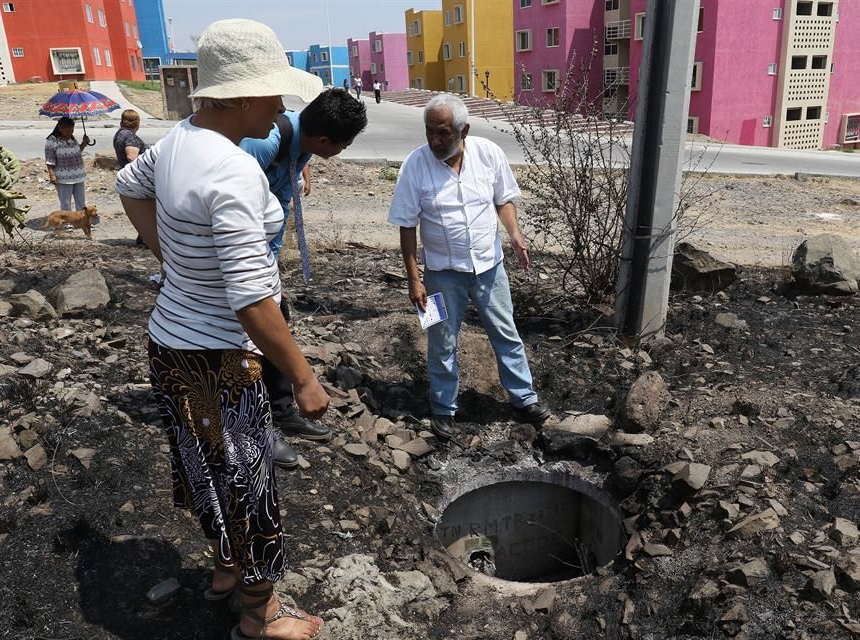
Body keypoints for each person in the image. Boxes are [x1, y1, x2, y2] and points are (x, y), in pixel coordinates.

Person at [115, 19, 328, 640]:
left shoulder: (179, 140)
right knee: (250, 478)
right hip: (220, 356)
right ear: (236, 96)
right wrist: (304, 377)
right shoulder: (233, 172)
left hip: (170, 342)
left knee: (205, 466)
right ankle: (261, 615)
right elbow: (253, 303)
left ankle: (226, 569)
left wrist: (170, 257)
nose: (283, 107)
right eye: (273, 93)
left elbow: (128, 186)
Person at [387, 94, 551, 439]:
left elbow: (502, 199)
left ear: (464, 130)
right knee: (440, 340)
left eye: (443, 133)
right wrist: (413, 279)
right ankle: (443, 407)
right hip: (438, 276)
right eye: (430, 132)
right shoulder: (414, 166)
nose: (434, 140)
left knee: (506, 333)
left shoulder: (489, 153)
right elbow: (406, 225)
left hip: (490, 268)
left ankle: (524, 398)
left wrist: (515, 233)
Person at [240, 87, 368, 468]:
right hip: (241, 263)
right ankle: (255, 430)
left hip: (266, 256)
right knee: (249, 343)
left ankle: (280, 410)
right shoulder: (263, 144)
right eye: (343, 146)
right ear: (325, 139)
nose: (341, 153)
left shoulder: (303, 142)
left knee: (279, 323)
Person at [113, 109, 148, 246]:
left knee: (142, 210)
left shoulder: (120, 133)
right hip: (137, 180)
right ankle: (145, 239)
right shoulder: (130, 137)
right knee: (146, 209)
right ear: (136, 123)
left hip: (128, 177)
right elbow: (131, 157)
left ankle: (143, 237)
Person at [44, 116, 90, 212]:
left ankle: (81, 220)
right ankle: (67, 222)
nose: (70, 132)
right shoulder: (52, 141)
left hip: (78, 175)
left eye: (72, 130)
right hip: (63, 177)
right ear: (60, 128)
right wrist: (52, 175)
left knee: (80, 200)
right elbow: (49, 160)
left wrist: (84, 143)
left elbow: (76, 153)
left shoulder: (72, 139)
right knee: (65, 202)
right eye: (67, 130)